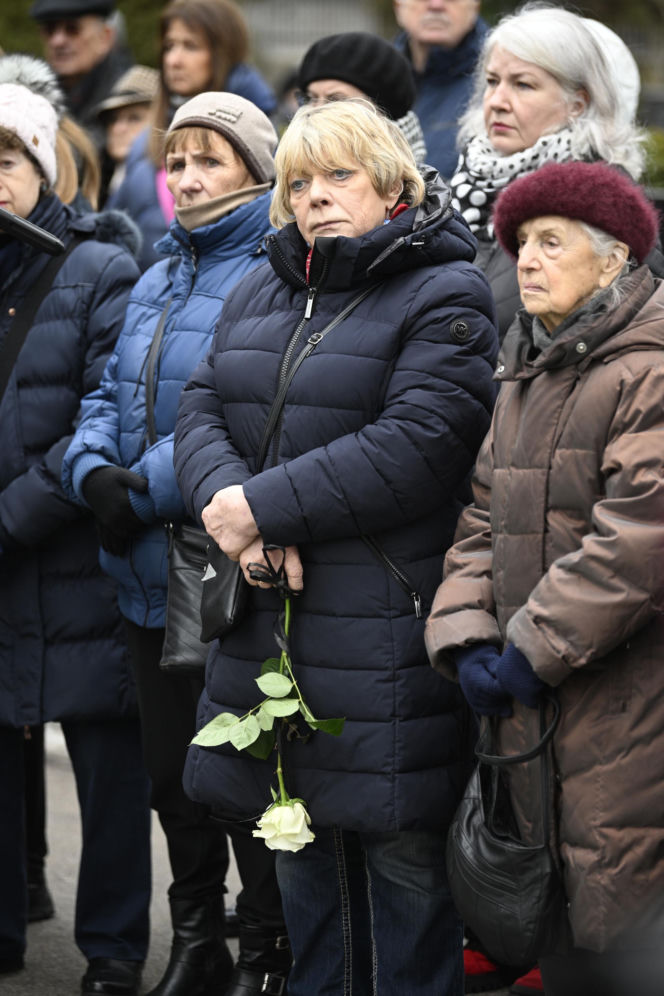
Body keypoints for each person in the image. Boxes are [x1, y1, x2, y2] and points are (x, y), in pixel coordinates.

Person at [172, 97, 498, 996]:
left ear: (393, 184)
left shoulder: (444, 288)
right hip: (272, 621)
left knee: (400, 865)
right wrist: (234, 517)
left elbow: (423, 440)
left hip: (383, 625)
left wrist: (267, 509)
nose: (316, 197)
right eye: (299, 182)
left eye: (339, 176)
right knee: (301, 851)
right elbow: (198, 408)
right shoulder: (262, 284)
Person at [63, 91, 291, 996]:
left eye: (212, 160)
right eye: (180, 160)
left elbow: (237, 404)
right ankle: (197, 940)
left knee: (238, 770)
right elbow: (102, 396)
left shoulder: (267, 271)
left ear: (254, 171)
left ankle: (265, 951)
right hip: (139, 569)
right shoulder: (157, 270)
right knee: (171, 777)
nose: (190, 178)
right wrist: (91, 474)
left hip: (215, 565)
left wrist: (146, 485)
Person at [425, 159, 664, 996]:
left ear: (614, 259)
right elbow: (482, 516)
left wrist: (531, 648)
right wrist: (468, 637)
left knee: (623, 921)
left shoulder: (650, 365)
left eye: (550, 242)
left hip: (630, 699)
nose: (525, 260)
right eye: (520, 242)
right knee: (561, 918)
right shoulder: (525, 366)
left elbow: (641, 532)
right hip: (542, 701)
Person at [0, 81, 151, 996]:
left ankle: (115, 948)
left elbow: (105, 417)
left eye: (6, 157)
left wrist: (10, 515)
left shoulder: (100, 269)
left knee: (108, 765)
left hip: (73, 558)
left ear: (44, 161)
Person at [450, 3, 649, 345]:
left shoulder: (604, 206)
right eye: (492, 81)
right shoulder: (462, 183)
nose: (497, 100)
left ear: (578, 104)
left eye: (523, 85)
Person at [112, 0, 276, 271]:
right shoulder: (144, 143)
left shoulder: (262, 137)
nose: (173, 60)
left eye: (190, 46)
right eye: (169, 47)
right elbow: (116, 239)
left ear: (222, 52)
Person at [295, 31, 427, 162]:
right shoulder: (289, 175)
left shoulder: (427, 181)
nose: (316, 111)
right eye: (311, 98)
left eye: (335, 100)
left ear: (382, 111)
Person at [393, 0, 487, 179]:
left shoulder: (501, 82)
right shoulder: (369, 80)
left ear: (475, 5)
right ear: (398, 6)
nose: (436, 5)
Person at [30, 0, 133, 155]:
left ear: (105, 37)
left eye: (73, 29)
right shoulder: (33, 97)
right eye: (49, 30)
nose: (57, 41)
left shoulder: (130, 97)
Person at [95, 64, 159, 207]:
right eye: (112, 120)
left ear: (161, 122)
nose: (118, 128)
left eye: (134, 118)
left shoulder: (164, 183)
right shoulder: (99, 176)